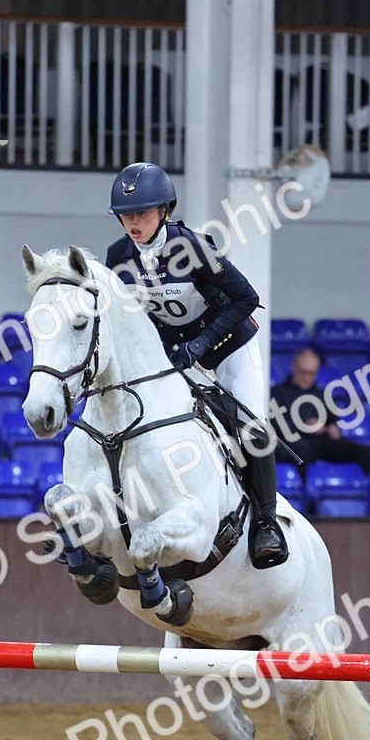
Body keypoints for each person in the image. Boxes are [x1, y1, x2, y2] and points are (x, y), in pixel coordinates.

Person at [105, 161, 288, 569]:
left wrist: (203, 343)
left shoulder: (193, 248)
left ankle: (266, 524)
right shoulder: (117, 256)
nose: (133, 223)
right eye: (126, 215)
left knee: (251, 425)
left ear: (164, 210)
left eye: (142, 213)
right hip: (178, 351)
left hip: (228, 345)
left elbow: (246, 298)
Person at [271, 347, 370, 476]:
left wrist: (333, 429)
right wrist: (304, 425)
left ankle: (357, 487)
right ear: (293, 368)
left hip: (320, 442)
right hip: (292, 442)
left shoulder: (323, 395)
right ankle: (307, 491)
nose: (306, 377)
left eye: (311, 373)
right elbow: (275, 425)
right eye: (302, 372)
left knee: (366, 453)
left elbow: (333, 421)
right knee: (300, 451)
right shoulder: (277, 393)